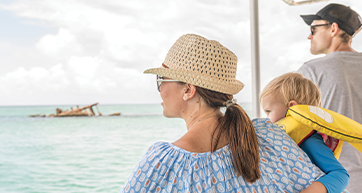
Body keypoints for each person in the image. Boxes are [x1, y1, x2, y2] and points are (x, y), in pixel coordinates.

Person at [120, 34, 336, 193]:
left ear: (188, 89)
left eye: (161, 80)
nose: (159, 89)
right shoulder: (269, 135)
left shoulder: (163, 162)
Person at [297, 3, 362, 192]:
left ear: (333, 28)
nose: (309, 36)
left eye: (313, 29)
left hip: (334, 182)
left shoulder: (311, 71)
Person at [260, 72, 349, 193]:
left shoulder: (309, 141)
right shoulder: (282, 138)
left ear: (291, 107)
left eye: (268, 111)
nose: (266, 118)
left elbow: (340, 175)